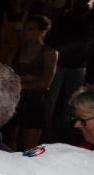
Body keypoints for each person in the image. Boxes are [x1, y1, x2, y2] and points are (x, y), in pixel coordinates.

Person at [6, 14, 58, 150]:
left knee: (29, 148)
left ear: (42, 31)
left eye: (30, 29)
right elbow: (5, 80)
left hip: (34, 103)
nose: (25, 32)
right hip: (13, 102)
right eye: (24, 28)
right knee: (8, 144)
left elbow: (44, 84)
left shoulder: (49, 52)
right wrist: (28, 78)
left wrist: (20, 81)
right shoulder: (15, 52)